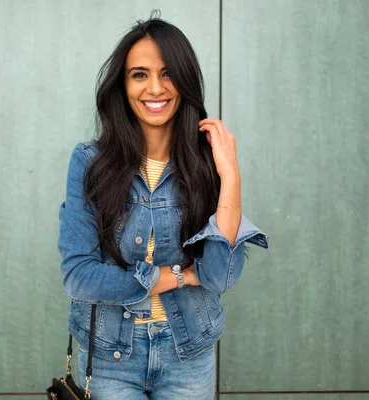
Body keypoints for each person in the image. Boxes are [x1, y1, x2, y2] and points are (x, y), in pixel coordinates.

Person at [58, 14, 268, 400]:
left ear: (185, 82)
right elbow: (79, 276)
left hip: (188, 353)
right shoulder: (89, 162)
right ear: (122, 85)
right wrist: (179, 275)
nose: (155, 88)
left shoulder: (208, 164)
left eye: (168, 73)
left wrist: (231, 175)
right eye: (140, 74)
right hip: (108, 357)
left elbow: (220, 276)